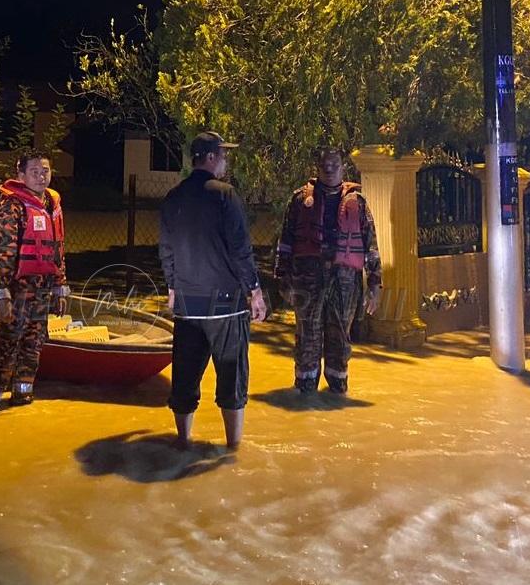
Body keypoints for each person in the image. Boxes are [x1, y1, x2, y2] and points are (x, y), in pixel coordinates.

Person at [159, 131, 268, 451]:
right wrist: (255, 291)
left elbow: (166, 249)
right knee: (232, 376)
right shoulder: (226, 196)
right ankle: (233, 450)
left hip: (188, 302)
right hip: (227, 305)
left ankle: (183, 443)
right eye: (223, 155)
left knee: (185, 376)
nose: (226, 161)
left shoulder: (173, 197)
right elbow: (240, 249)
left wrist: (172, 287)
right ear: (210, 157)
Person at [273, 147, 382, 395]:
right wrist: (282, 278)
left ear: (343, 167)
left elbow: (370, 246)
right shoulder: (300, 200)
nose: (330, 170)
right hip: (307, 279)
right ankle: (305, 391)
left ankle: (337, 390)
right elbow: (286, 241)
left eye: (335, 165)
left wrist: (375, 284)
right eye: (325, 166)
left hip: (345, 281)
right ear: (317, 169)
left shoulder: (358, 204)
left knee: (340, 335)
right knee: (307, 334)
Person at [0, 150, 69, 416]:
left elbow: (58, 248)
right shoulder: (10, 206)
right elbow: (3, 251)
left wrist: (61, 285)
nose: (41, 176)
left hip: (44, 286)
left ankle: (22, 393)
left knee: (35, 340)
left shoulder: (51, 204)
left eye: (45, 170)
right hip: (17, 287)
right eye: (35, 171)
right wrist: (2, 293)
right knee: (8, 341)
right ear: (21, 174)